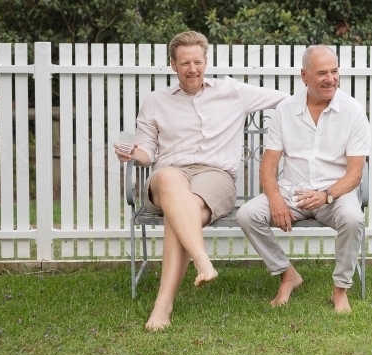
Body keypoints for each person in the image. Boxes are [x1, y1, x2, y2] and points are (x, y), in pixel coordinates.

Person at [113, 31, 287, 331]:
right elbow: (146, 152)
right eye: (184, 63)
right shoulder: (156, 101)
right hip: (171, 176)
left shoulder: (232, 91)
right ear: (173, 65)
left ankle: (163, 305)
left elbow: (287, 101)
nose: (192, 69)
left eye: (197, 62)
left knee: (178, 215)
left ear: (206, 61)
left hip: (215, 178)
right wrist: (130, 154)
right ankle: (201, 259)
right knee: (167, 177)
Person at [237, 45, 369, 314]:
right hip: (292, 192)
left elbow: (355, 174)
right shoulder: (286, 110)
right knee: (248, 214)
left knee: (354, 218)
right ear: (304, 76)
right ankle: (287, 274)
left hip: (335, 195)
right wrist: (275, 199)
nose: (330, 79)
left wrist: (326, 195)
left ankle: (340, 289)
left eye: (334, 71)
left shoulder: (353, 111)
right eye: (322, 73)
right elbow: (268, 166)